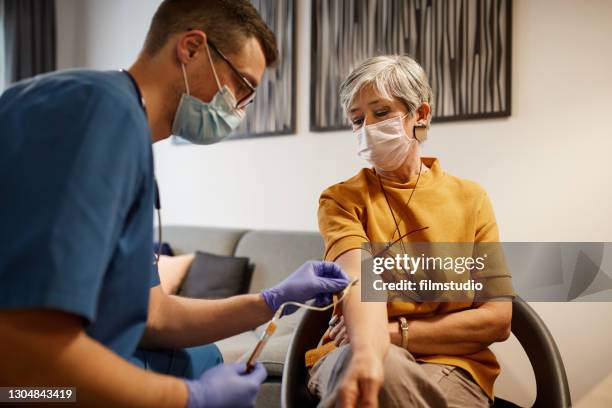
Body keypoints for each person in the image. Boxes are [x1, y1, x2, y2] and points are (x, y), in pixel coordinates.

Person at [0, 1, 348, 407]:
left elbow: (154, 315)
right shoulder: (100, 115)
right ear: (192, 48)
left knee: (198, 357)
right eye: (242, 87)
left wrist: (271, 301)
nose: (238, 109)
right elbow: (25, 352)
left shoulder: (116, 123)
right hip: (27, 390)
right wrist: (189, 398)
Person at [306, 55, 515, 408]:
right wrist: (374, 344)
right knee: (379, 367)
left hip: (454, 366)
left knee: (382, 373)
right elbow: (357, 278)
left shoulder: (470, 199)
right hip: (352, 352)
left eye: (381, 112)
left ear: (420, 114)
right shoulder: (341, 200)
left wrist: (393, 333)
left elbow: (497, 320)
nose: (367, 127)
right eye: (357, 119)